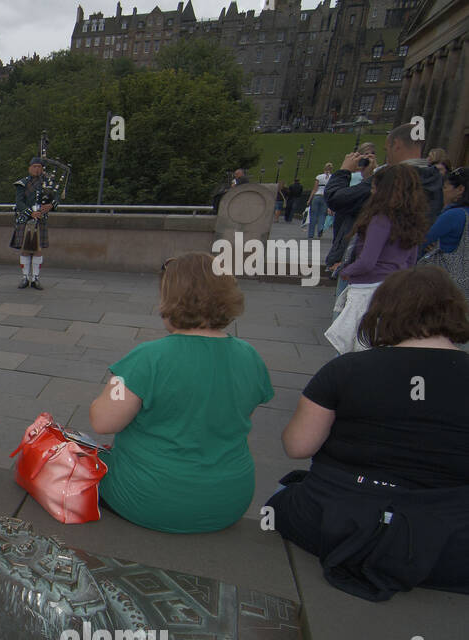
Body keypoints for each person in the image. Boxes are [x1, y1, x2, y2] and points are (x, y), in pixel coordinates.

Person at [269, 266, 469, 600]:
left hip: (333, 520)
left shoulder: (346, 369)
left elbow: (297, 446)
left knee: (283, 495)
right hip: (446, 541)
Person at [88, 252, 273, 534]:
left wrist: (119, 381)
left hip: (153, 497)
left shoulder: (147, 358)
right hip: (230, 500)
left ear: (171, 298)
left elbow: (103, 421)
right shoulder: (250, 356)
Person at [326, 163, 427, 353]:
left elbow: (367, 261)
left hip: (366, 289)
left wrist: (345, 271)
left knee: (350, 347)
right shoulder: (412, 220)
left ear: (384, 190)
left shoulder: (380, 219)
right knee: (376, 345)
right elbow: (411, 262)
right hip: (393, 289)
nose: (371, 190)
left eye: (374, 186)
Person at [324, 143, 378, 274]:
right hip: (345, 207)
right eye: (364, 154)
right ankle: (336, 259)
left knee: (347, 235)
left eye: (371, 153)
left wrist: (369, 174)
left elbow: (336, 196)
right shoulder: (352, 174)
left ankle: (337, 260)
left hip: (354, 208)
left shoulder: (375, 176)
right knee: (340, 234)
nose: (367, 157)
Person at [384, 121, 444, 227]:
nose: (387, 155)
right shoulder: (436, 177)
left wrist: (344, 172)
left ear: (397, 144)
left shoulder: (394, 176)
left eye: (387, 149)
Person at [10, 157, 57, 289]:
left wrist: (51, 205)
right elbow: (19, 202)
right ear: (29, 168)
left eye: (39, 167)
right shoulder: (22, 183)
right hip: (25, 220)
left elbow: (56, 199)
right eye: (34, 166)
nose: (37, 169)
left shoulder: (48, 183)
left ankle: (35, 278)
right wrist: (30, 212)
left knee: (38, 250)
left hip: (40, 220)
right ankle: (25, 277)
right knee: (25, 250)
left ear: (42, 169)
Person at [422, 166, 469, 295]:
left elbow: (423, 240)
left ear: (460, 189)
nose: (443, 191)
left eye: (445, 187)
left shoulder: (454, 215)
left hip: (444, 278)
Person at [306, 163, 333, 237]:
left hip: (317, 196)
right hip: (325, 197)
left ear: (324, 169)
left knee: (313, 215)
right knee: (322, 215)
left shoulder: (319, 177)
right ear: (331, 169)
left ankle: (311, 234)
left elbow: (315, 189)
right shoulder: (332, 177)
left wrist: (309, 200)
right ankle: (320, 229)